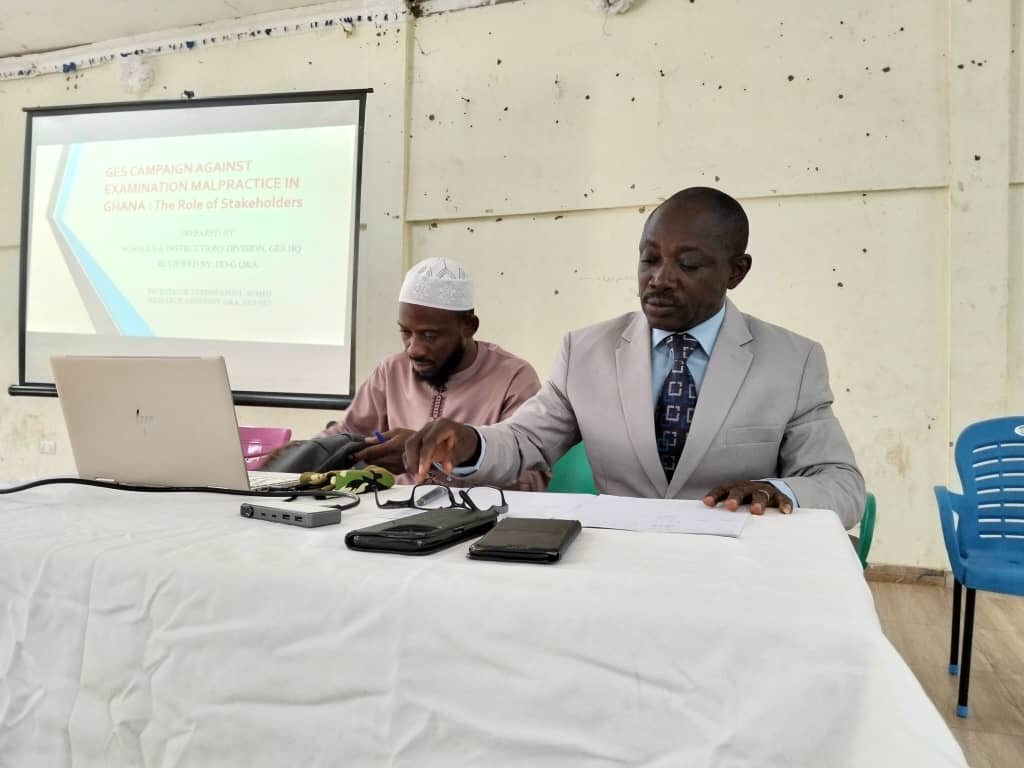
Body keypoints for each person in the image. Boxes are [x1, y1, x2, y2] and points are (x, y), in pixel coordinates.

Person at [403, 187, 866, 528]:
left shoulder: (792, 361)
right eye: (649, 259)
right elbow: (525, 442)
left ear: (736, 272)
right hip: (615, 563)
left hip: (737, 568)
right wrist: (469, 443)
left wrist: (776, 490)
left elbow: (841, 483)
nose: (660, 279)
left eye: (688, 265)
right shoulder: (585, 351)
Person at [322, 257, 547, 490]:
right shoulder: (392, 370)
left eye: (430, 336)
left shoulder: (513, 378)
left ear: (469, 327)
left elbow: (531, 481)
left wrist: (437, 457)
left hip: (476, 511)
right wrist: (305, 452)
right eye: (406, 332)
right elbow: (346, 434)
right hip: (392, 508)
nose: (414, 349)